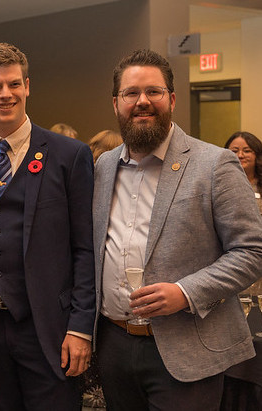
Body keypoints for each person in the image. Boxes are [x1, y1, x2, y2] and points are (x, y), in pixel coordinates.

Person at [93, 49, 262, 411]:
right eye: (131, 93)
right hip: (114, 346)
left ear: (171, 99)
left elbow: (252, 252)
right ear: (116, 103)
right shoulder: (104, 166)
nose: (142, 102)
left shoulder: (215, 164)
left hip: (188, 349)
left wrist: (186, 292)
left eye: (153, 92)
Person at [0, 42, 95, 410]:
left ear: (27, 86)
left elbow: (86, 248)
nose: (5, 94)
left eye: (13, 84)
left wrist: (80, 327)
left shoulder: (69, 155)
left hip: (49, 328)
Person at [225, 131, 262, 213]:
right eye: (234, 151)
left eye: (247, 151)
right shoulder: (219, 184)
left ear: (257, 155)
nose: (240, 155)